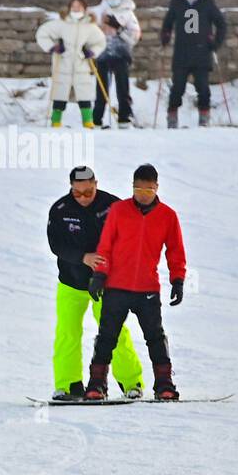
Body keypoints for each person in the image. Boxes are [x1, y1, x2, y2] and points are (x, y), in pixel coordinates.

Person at [85, 165, 186, 401]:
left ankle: (165, 384)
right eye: (138, 189)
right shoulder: (119, 210)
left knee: (155, 338)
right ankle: (96, 385)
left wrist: (178, 279)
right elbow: (105, 246)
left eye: (148, 190)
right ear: (132, 187)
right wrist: (99, 275)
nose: (143, 194)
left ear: (157, 188)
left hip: (147, 289)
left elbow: (175, 250)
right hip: (116, 287)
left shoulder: (167, 216)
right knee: (107, 338)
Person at [46, 166, 143, 401]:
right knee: (67, 333)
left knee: (114, 332)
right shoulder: (60, 209)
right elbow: (56, 245)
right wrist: (83, 258)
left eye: (88, 193)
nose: (82, 198)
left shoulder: (114, 207)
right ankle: (68, 386)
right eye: (77, 193)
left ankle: (132, 383)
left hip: (106, 282)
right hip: (70, 282)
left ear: (96, 184)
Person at [159, 0, 227, 128]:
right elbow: (168, 22)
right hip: (182, 52)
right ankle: (172, 116)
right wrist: (165, 36)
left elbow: (221, 24)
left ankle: (204, 116)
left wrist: (216, 43)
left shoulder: (206, 2)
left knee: (203, 87)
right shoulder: (177, 2)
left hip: (202, 52)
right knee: (178, 87)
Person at [35, 0, 106, 128]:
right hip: (63, 63)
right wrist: (53, 47)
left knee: (84, 93)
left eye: (79, 6)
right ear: (69, 8)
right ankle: (56, 121)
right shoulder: (61, 24)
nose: (76, 9)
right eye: (73, 6)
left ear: (84, 9)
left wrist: (91, 52)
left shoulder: (89, 26)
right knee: (59, 93)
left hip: (81, 64)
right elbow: (42, 34)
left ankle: (88, 121)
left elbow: (100, 42)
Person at [87, 0, 140, 128]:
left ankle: (124, 118)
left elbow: (134, 37)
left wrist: (119, 28)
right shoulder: (97, 12)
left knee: (123, 87)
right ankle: (96, 119)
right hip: (102, 54)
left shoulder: (128, 12)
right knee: (101, 88)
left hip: (121, 53)